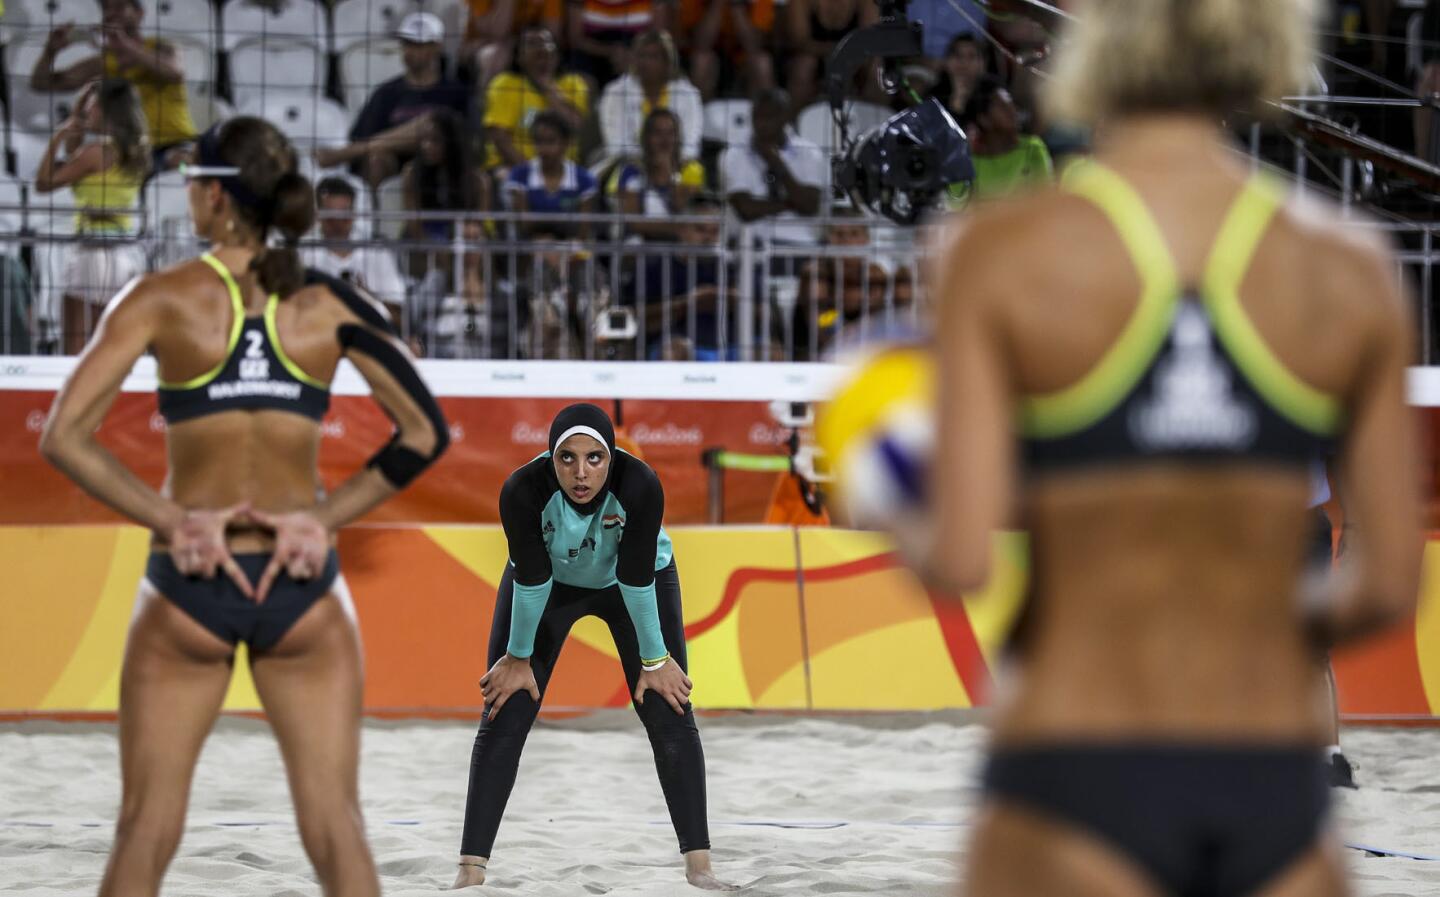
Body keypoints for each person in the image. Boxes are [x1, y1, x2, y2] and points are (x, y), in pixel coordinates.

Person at [909, 1, 1423, 894]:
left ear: (1096, 56)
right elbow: (1388, 584)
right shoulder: (1348, 268)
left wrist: (882, 496)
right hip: (1265, 760)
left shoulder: (1000, 253)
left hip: (1078, 752)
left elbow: (958, 555)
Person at [37, 116, 450, 897]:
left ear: (219, 200)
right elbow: (426, 431)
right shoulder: (329, 301)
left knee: (146, 827)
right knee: (336, 828)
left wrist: (173, 521)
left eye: (194, 180)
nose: (185, 191)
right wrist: (322, 520)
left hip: (190, 578)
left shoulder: (163, 298)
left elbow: (64, 436)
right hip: (299, 579)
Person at [452, 403, 735, 891]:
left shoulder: (640, 484)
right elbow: (534, 580)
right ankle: (470, 871)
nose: (581, 473)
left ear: (611, 456)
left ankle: (700, 869)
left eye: (594, 458)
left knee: (668, 704)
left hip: (635, 583)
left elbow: (635, 577)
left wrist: (655, 661)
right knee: (506, 706)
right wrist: (518, 658)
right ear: (550, 458)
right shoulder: (522, 490)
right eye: (566, 459)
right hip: (551, 583)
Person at [33, 78, 150, 354]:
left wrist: (59, 135)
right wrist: (77, 113)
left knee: (77, 347)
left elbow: (43, 183)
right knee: (111, 344)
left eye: (92, 107)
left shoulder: (96, 152)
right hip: (125, 253)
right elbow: (75, 153)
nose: (87, 113)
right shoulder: (134, 149)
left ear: (108, 110)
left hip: (93, 254)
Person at [30, 0, 197, 169]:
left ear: (140, 13)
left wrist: (125, 45)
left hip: (174, 145)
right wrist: (50, 51)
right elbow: (41, 84)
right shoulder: (102, 63)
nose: (111, 13)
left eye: (119, 6)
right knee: (73, 168)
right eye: (106, 8)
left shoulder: (162, 47)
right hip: (127, 154)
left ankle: (189, 184)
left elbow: (175, 73)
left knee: (182, 163)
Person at [316, 13, 472, 187]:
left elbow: (461, 139)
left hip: (443, 165)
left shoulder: (456, 92)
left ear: (437, 47)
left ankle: (344, 154)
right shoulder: (386, 93)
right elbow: (363, 135)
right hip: (394, 168)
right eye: (407, 44)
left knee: (432, 124)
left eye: (418, 44)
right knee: (376, 157)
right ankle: (373, 212)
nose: (410, 51)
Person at [721, 88, 827, 246]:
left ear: (785, 118)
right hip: (751, 243)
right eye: (757, 117)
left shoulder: (810, 152)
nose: (761, 124)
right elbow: (746, 209)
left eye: (769, 117)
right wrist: (791, 204)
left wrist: (776, 162)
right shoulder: (734, 154)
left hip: (800, 242)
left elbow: (810, 205)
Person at [304, 176, 409, 326]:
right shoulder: (305, 253)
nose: (338, 225)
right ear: (319, 215)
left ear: (353, 214)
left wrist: (369, 300)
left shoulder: (377, 252)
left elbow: (399, 318)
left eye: (344, 217)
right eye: (331, 218)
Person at [484, 26, 590, 169]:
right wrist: (530, 174)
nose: (541, 49)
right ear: (519, 57)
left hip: (563, 171)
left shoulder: (573, 83)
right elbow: (500, 138)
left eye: (545, 47)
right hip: (512, 167)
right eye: (532, 45)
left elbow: (576, 126)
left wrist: (546, 86)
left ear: (557, 56)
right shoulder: (505, 83)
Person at [597, 30, 704, 163]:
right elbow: (615, 144)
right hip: (629, 164)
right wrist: (650, 164)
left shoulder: (688, 94)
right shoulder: (615, 92)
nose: (645, 62)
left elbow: (691, 144)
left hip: (677, 164)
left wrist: (669, 164)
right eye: (641, 56)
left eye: (653, 56)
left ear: (667, 62)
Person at [607, 107, 706, 241]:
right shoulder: (630, 171)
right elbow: (634, 223)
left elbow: (682, 208)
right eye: (658, 133)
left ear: (678, 137)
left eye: (671, 133)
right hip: (639, 246)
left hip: (679, 247)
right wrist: (678, 228)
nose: (664, 140)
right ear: (646, 137)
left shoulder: (691, 170)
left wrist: (669, 174)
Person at [954, 75, 1053, 202]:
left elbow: (1046, 198)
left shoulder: (1032, 148)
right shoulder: (970, 160)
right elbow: (956, 205)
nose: (1013, 111)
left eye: (1011, 104)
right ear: (984, 119)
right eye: (1003, 107)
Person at [503, 111, 599, 239]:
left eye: (550, 141)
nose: (543, 149)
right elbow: (524, 226)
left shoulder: (585, 180)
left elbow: (583, 232)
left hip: (571, 251)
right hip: (530, 250)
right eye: (538, 141)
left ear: (566, 143)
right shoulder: (519, 175)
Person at [784, 0, 878, 108]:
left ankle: (878, 118)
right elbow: (799, 41)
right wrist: (837, 51)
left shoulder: (865, 3)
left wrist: (848, 55)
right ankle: (797, 119)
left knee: (875, 66)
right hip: (815, 56)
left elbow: (870, 38)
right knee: (804, 66)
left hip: (854, 56)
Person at [680, 0, 775, 102]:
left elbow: (754, 46)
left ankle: (763, 116)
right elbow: (701, 43)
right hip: (710, 58)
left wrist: (736, 6)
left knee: (762, 63)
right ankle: (695, 115)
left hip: (742, 60)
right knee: (701, 61)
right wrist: (717, 4)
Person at [565, 0, 672, 86]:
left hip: (637, 52)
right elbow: (575, 39)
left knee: (650, 67)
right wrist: (611, 51)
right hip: (592, 52)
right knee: (581, 82)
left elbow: (658, 37)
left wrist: (635, 56)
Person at [461, 0, 564, 87]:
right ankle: (487, 107)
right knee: (495, 57)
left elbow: (551, 33)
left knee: (543, 54)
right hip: (480, 45)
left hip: (523, 43)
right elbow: (497, 33)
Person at [930, 34, 991, 123]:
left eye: (971, 56)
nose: (963, 63)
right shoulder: (933, 98)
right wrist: (957, 103)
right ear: (946, 62)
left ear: (983, 65)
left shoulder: (992, 96)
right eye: (958, 55)